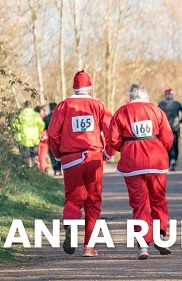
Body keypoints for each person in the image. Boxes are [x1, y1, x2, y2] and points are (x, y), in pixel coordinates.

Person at [47, 69, 116, 258]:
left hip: (71, 158)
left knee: (73, 199)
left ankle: (69, 225)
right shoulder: (98, 105)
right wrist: (109, 152)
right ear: (89, 87)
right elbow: (112, 130)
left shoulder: (63, 106)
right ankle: (89, 246)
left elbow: (53, 134)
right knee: (93, 202)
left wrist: (59, 155)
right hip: (93, 157)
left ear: (73, 87)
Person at [108, 82, 174, 260]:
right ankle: (160, 236)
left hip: (132, 164)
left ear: (130, 96)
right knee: (159, 200)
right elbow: (167, 137)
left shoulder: (121, 112)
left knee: (139, 205)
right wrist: (161, 148)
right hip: (156, 161)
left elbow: (113, 140)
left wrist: (128, 147)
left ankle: (143, 245)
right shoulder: (156, 111)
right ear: (145, 95)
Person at [12, 101, 45, 168]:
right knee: (34, 155)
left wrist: (19, 131)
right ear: (31, 106)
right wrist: (38, 131)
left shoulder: (20, 115)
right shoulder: (35, 114)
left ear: (24, 106)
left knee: (26, 156)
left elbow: (14, 125)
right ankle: (35, 170)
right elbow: (42, 124)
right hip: (34, 138)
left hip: (24, 138)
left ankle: (27, 170)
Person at [158, 88, 182, 171]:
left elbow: (157, 115)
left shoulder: (161, 104)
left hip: (165, 127)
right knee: (175, 144)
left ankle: (169, 161)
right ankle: (173, 160)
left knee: (166, 144)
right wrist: (181, 120)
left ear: (165, 95)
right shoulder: (177, 103)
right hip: (175, 127)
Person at [43, 102, 62, 176]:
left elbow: (43, 128)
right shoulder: (61, 116)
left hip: (51, 139)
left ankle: (56, 170)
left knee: (52, 155)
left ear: (50, 108)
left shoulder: (46, 118)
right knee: (60, 155)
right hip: (60, 139)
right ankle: (59, 169)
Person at [34, 105, 49, 173]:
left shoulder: (33, 118)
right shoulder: (43, 117)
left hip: (35, 138)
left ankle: (38, 169)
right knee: (43, 155)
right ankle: (42, 169)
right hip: (44, 138)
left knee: (37, 155)